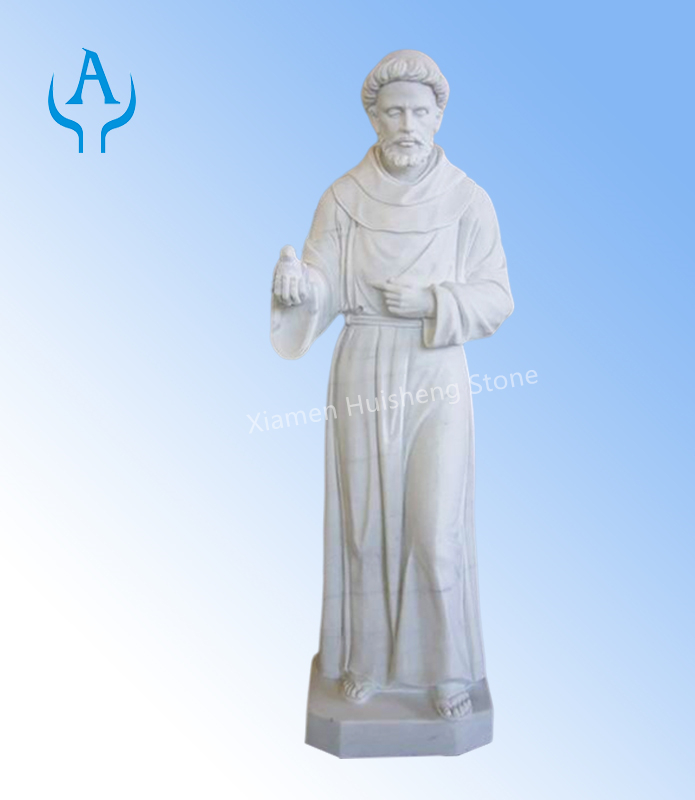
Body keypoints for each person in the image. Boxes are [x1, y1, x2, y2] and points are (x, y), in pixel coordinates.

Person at [271, 50, 514, 720]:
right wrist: (296, 284)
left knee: (435, 531)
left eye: (419, 112)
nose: (407, 124)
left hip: (435, 368)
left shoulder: (468, 201)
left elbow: (497, 298)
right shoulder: (343, 199)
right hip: (364, 359)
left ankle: (446, 667)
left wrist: (434, 301)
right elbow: (319, 283)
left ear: (438, 117)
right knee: (366, 525)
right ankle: (368, 661)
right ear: (374, 119)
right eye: (394, 112)